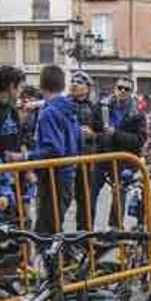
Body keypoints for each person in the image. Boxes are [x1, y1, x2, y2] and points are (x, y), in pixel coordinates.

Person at [6, 66, 80, 234]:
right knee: (53, 223)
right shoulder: (68, 109)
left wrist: (24, 156)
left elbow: (53, 149)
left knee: (46, 229)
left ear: (42, 85)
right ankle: (61, 257)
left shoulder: (49, 113)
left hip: (53, 176)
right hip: (68, 173)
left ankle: (57, 258)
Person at [87, 76, 147, 229]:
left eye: (126, 89)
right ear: (115, 88)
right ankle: (86, 228)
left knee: (119, 193)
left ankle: (113, 229)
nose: (122, 91)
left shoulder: (137, 113)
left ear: (131, 92)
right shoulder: (101, 106)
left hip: (123, 160)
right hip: (101, 155)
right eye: (120, 87)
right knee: (91, 192)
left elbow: (139, 140)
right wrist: (94, 136)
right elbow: (92, 130)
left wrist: (116, 134)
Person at [69, 71, 97, 229]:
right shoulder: (64, 105)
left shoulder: (95, 108)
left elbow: (103, 134)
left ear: (87, 88)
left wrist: (93, 134)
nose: (74, 84)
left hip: (87, 160)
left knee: (85, 199)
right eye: (73, 81)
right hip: (66, 159)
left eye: (79, 82)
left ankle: (85, 235)